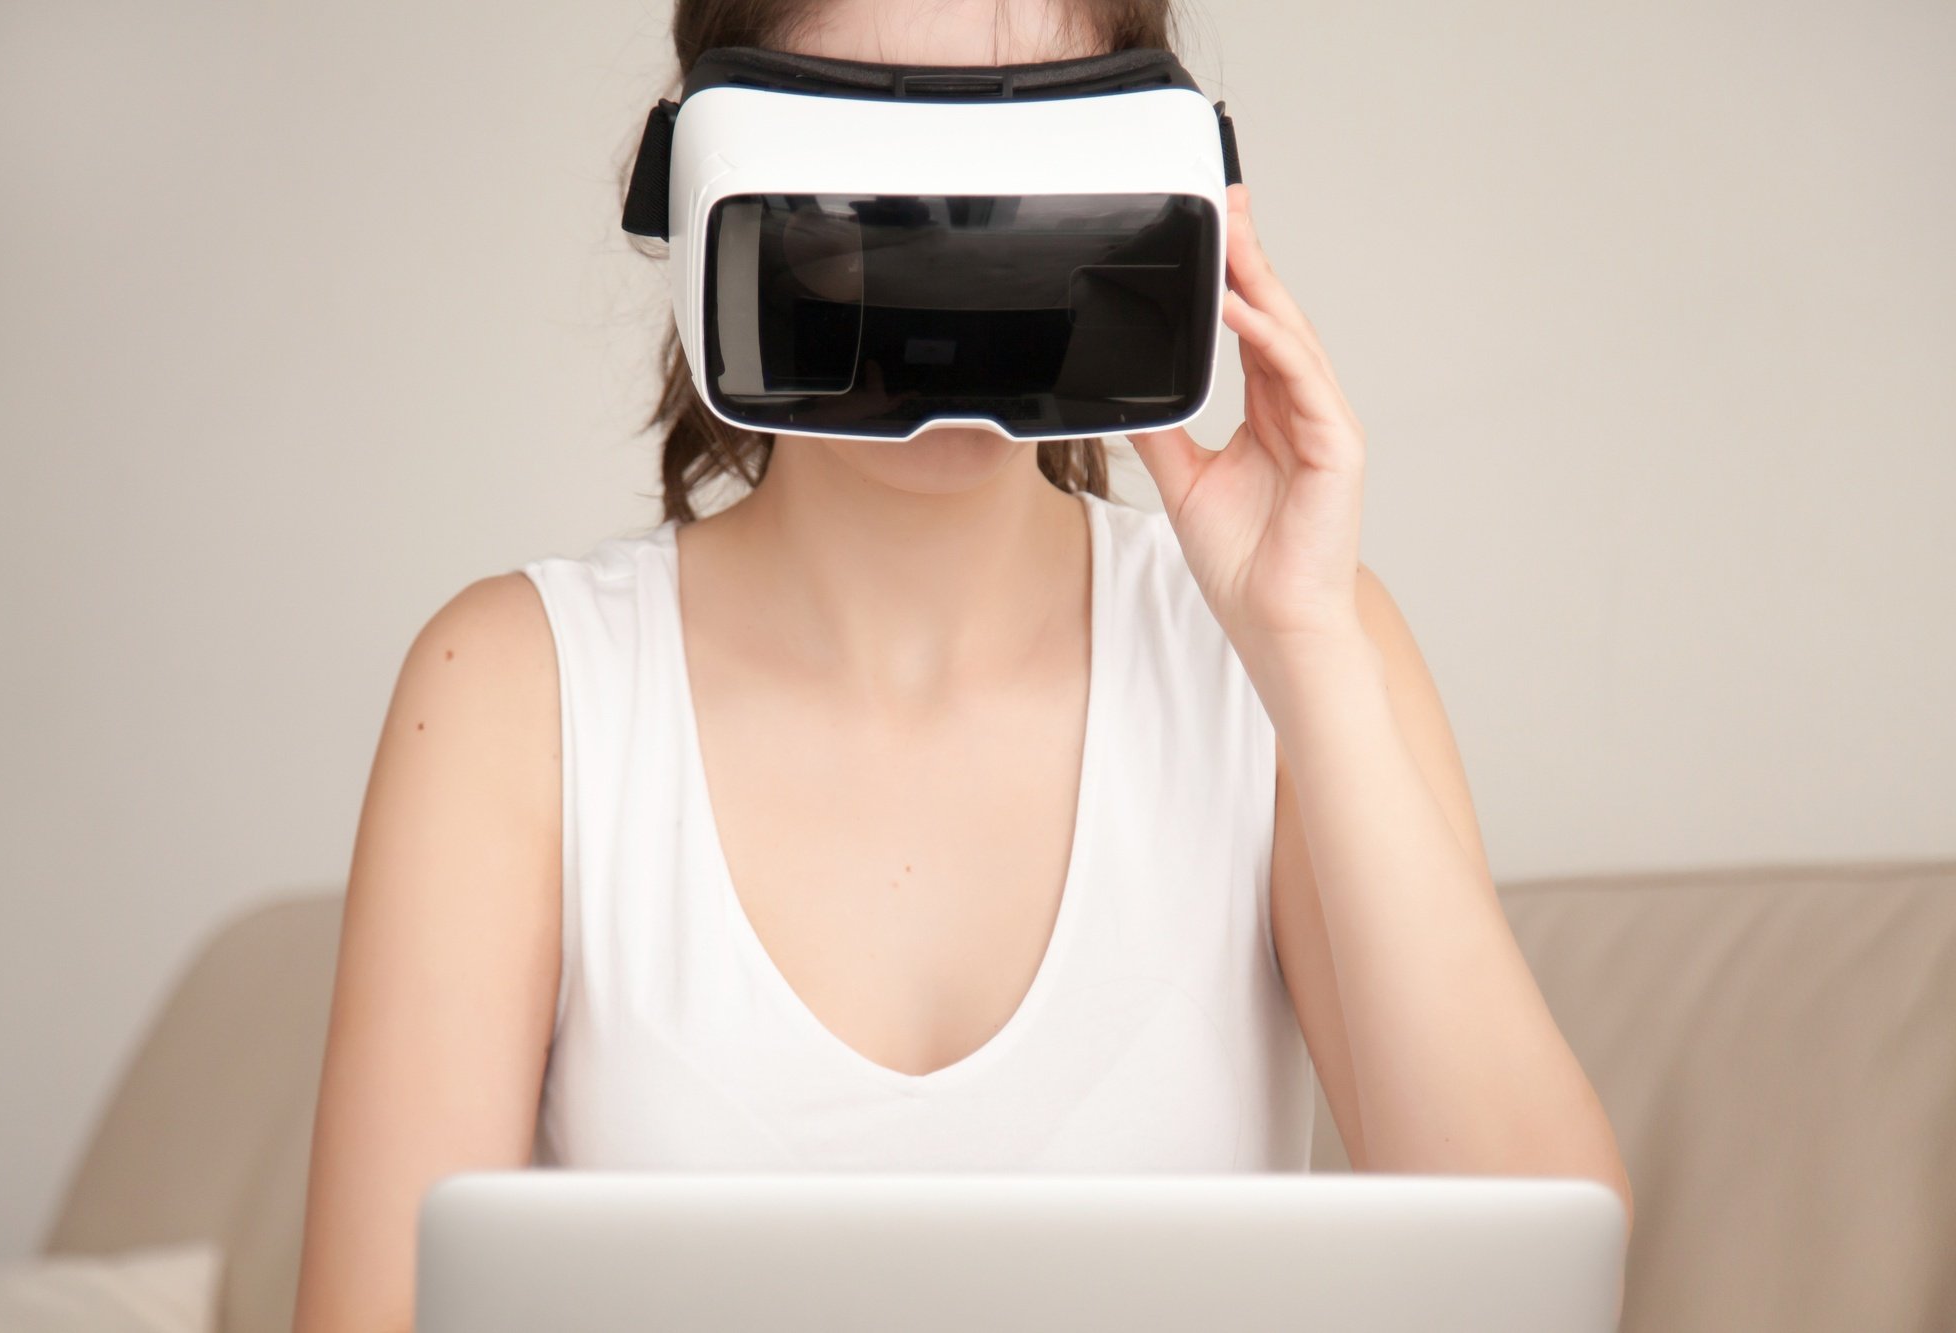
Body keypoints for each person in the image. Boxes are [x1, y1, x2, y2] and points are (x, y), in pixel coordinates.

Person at [291, 1, 1633, 1327]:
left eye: (1025, 158)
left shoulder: (1291, 657)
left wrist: (1307, 652)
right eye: (865, 149)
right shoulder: (511, 699)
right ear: (706, 173)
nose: (952, 237)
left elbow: (1539, 1286)